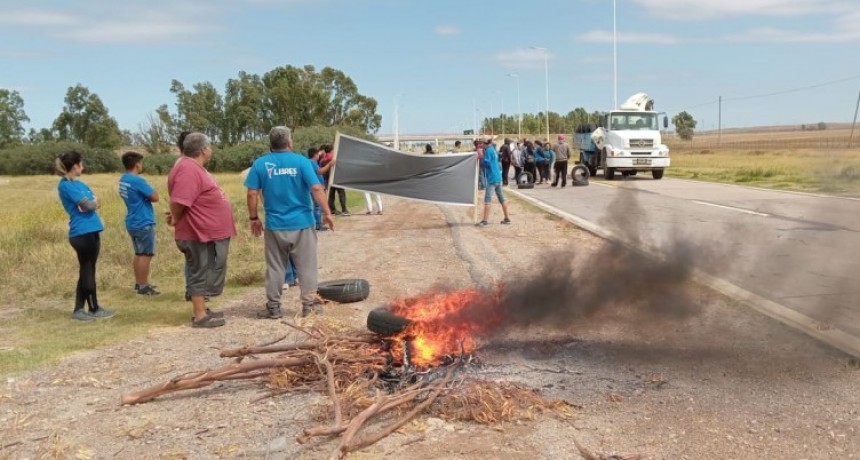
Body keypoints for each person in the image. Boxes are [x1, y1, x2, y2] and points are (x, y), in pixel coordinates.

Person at [245, 126, 335, 319]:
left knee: (276, 267)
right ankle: (309, 306)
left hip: (275, 225)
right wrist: (327, 213)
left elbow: (252, 192)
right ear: (289, 142)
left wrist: (254, 218)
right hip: (302, 223)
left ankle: (274, 307)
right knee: (307, 266)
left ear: (271, 144)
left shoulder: (261, 164)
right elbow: (317, 189)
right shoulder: (301, 162)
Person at [167, 132, 235, 328]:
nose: (211, 150)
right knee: (199, 270)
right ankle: (199, 316)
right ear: (204, 150)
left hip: (207, 232)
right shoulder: (188, 169)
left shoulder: (192, 167)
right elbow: (179, 200)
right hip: (198, 232)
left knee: (206, 269)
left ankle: (203, 309)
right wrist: (177, 217)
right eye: (210, 147)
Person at [56, 151, 115, 321]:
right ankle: (94, 308)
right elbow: (88, 204)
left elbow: (94, 202)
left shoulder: (79, 184)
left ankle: (79, 309)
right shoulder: (66, 185)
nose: (83, 167)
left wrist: (93, 203)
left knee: (86, 270)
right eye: (81, 164)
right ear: (75, 166)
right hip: (82, 232)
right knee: (88, 270)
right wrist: (93, 203)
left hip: (91, 230)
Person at [119, 151, 160, 295]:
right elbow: (155, 197)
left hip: (132, 220)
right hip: (143, 221)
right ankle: (143, 286)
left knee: (138, 253)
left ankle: (139, 282)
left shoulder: (123, 179)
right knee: (145, 254)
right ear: (137, 164)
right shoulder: (137, 180)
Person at [476, 138, 511, 227]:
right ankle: (507, 218)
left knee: (487, 200)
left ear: (485, 143)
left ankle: (485, 221)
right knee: (502, 198)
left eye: (482, 143)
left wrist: (481, 157)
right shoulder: (493, 150)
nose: (481, 145)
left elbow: (486, 163)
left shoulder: (488, 151)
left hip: (492, 179)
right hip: (498, 177)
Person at [321, 144, 349, 216]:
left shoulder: (323, 160)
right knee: (342, 194)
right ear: (332, 151)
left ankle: (333, 210)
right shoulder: (334, 159)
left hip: (328, 180)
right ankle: (344, 210)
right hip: (337, 179)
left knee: (331, 196)